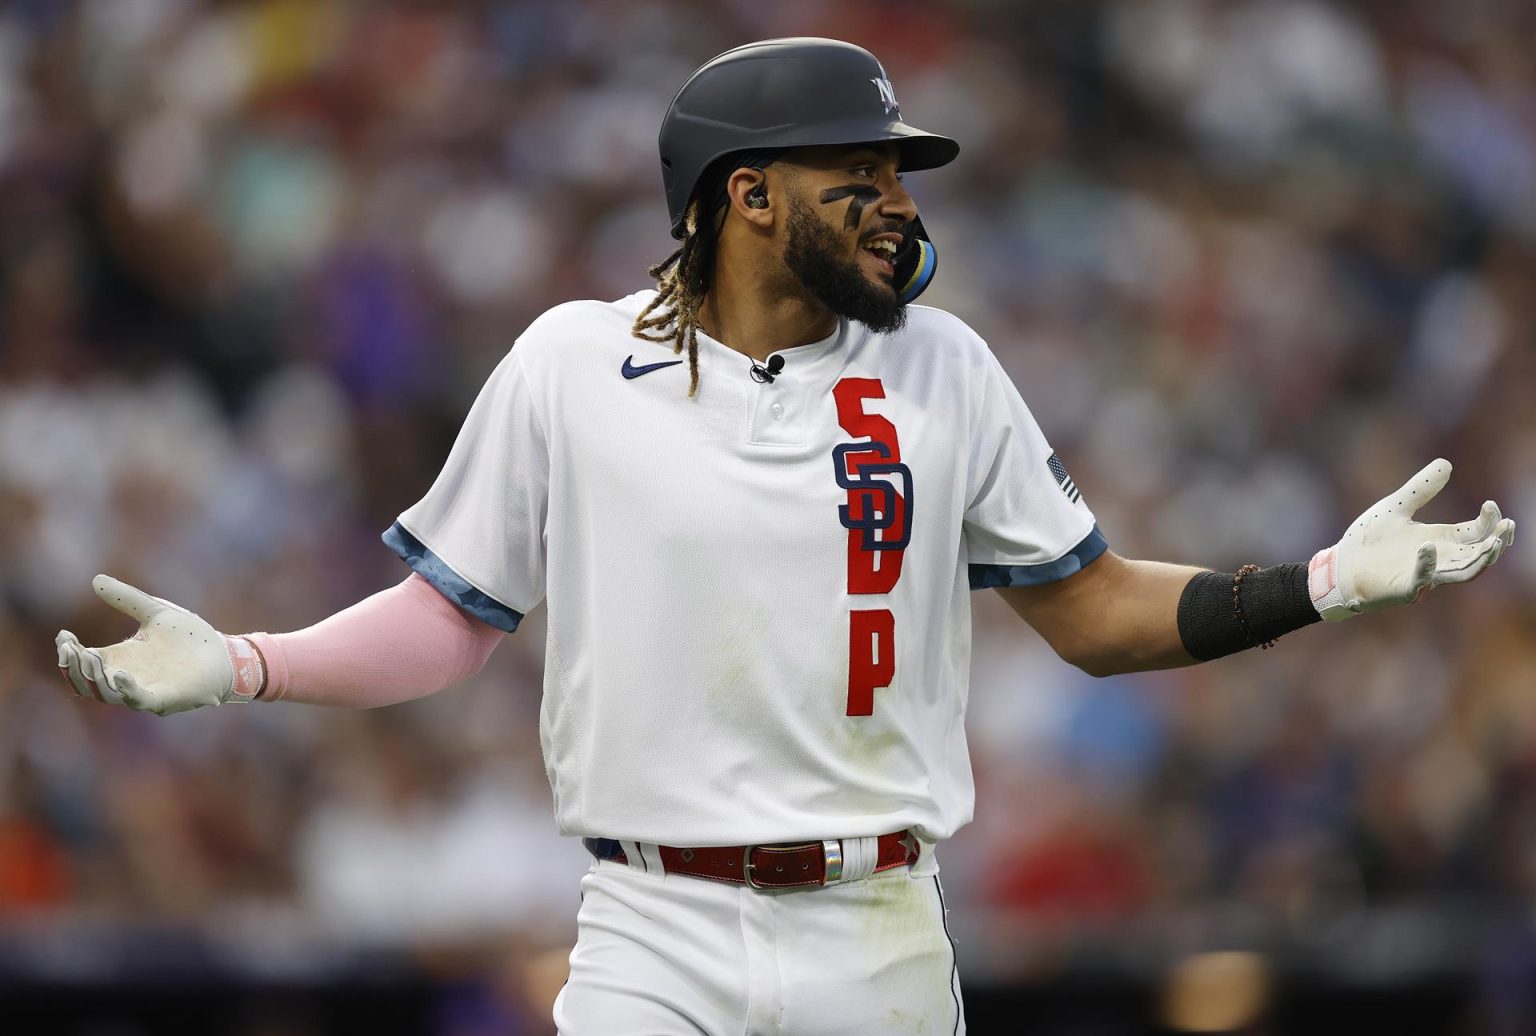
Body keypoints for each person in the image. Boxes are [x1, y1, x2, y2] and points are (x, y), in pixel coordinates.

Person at [54, 38, 1515, 1034]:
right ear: (746, 197)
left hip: (872, 926)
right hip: (648, 925)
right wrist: (247, 664)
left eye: (898, 176)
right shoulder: (570, 360)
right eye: (858, 176)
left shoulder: (947, 366)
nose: (895, 205)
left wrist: (1318, 586)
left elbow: (1093, 611)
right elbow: (452, 618)